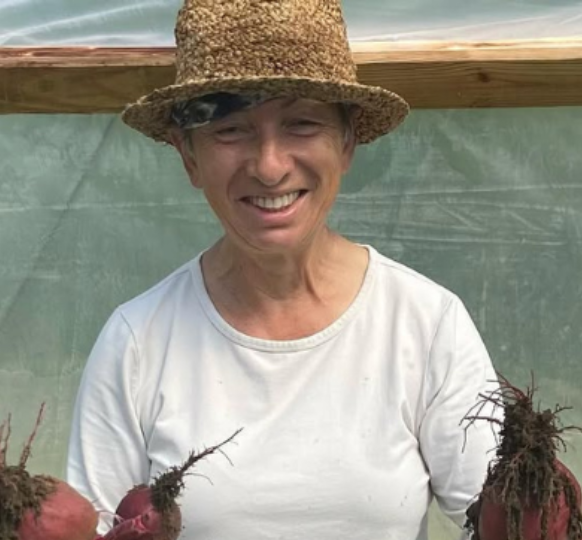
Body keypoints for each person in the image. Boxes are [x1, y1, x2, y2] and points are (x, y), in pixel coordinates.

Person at [67, 1, 501, 539]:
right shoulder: (137, 343)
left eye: (302, 124)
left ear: (346, 143)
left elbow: (500, 521)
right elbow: (94, 526)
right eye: (230, 130)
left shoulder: (425, 324)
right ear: (189, 156)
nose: (270, 166)